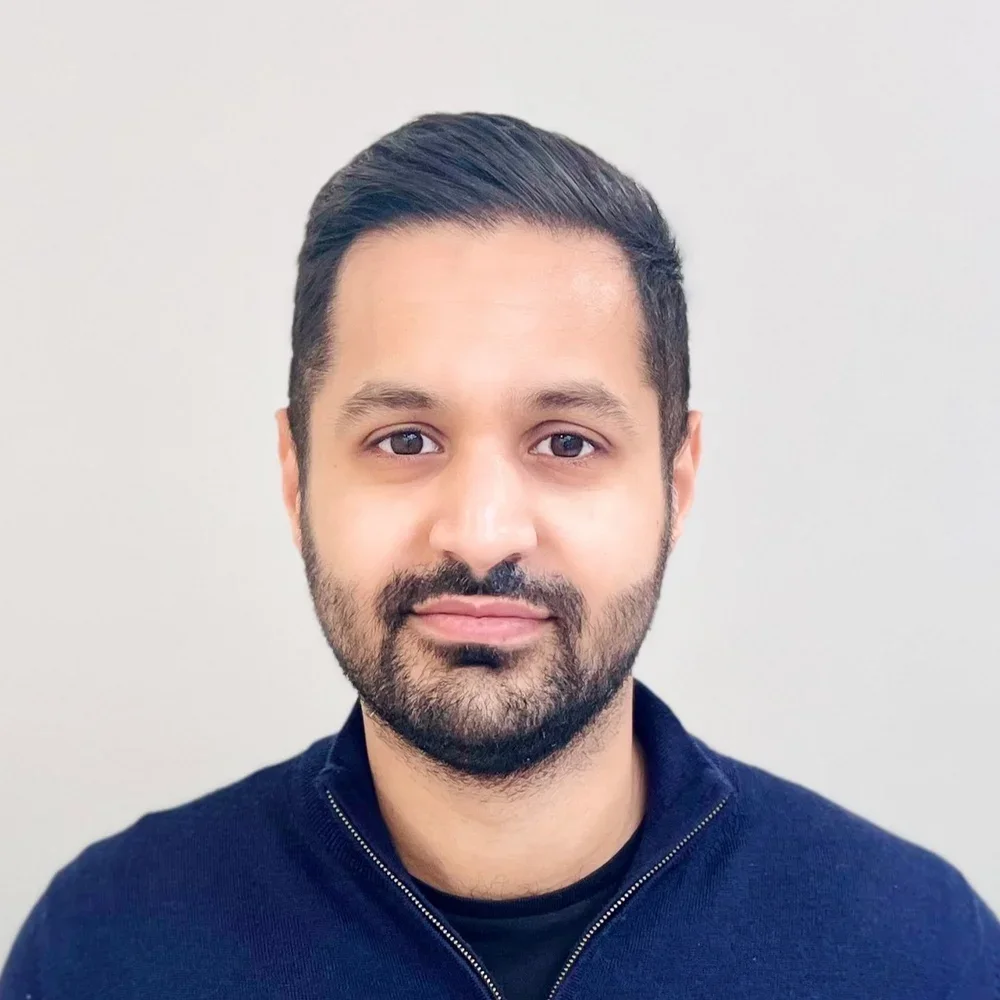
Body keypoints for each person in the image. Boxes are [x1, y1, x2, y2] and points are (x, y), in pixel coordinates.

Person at [2, 111, 997, 1000]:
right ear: (297, 474)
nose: (480, 531)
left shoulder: (917, 952)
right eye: (404, 439)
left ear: (675, 482)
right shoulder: (105, 947)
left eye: (566, 441)